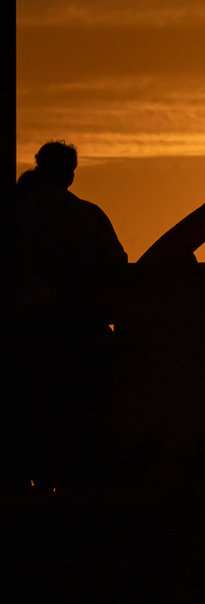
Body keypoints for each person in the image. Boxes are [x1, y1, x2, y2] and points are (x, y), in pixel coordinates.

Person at [13, 141, 128, 491]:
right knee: (79, 413)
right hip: (80, 330)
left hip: (27, 329)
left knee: (32, 412)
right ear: (71, 174)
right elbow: (117, 266)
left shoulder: (18, 214)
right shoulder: (88, 215)